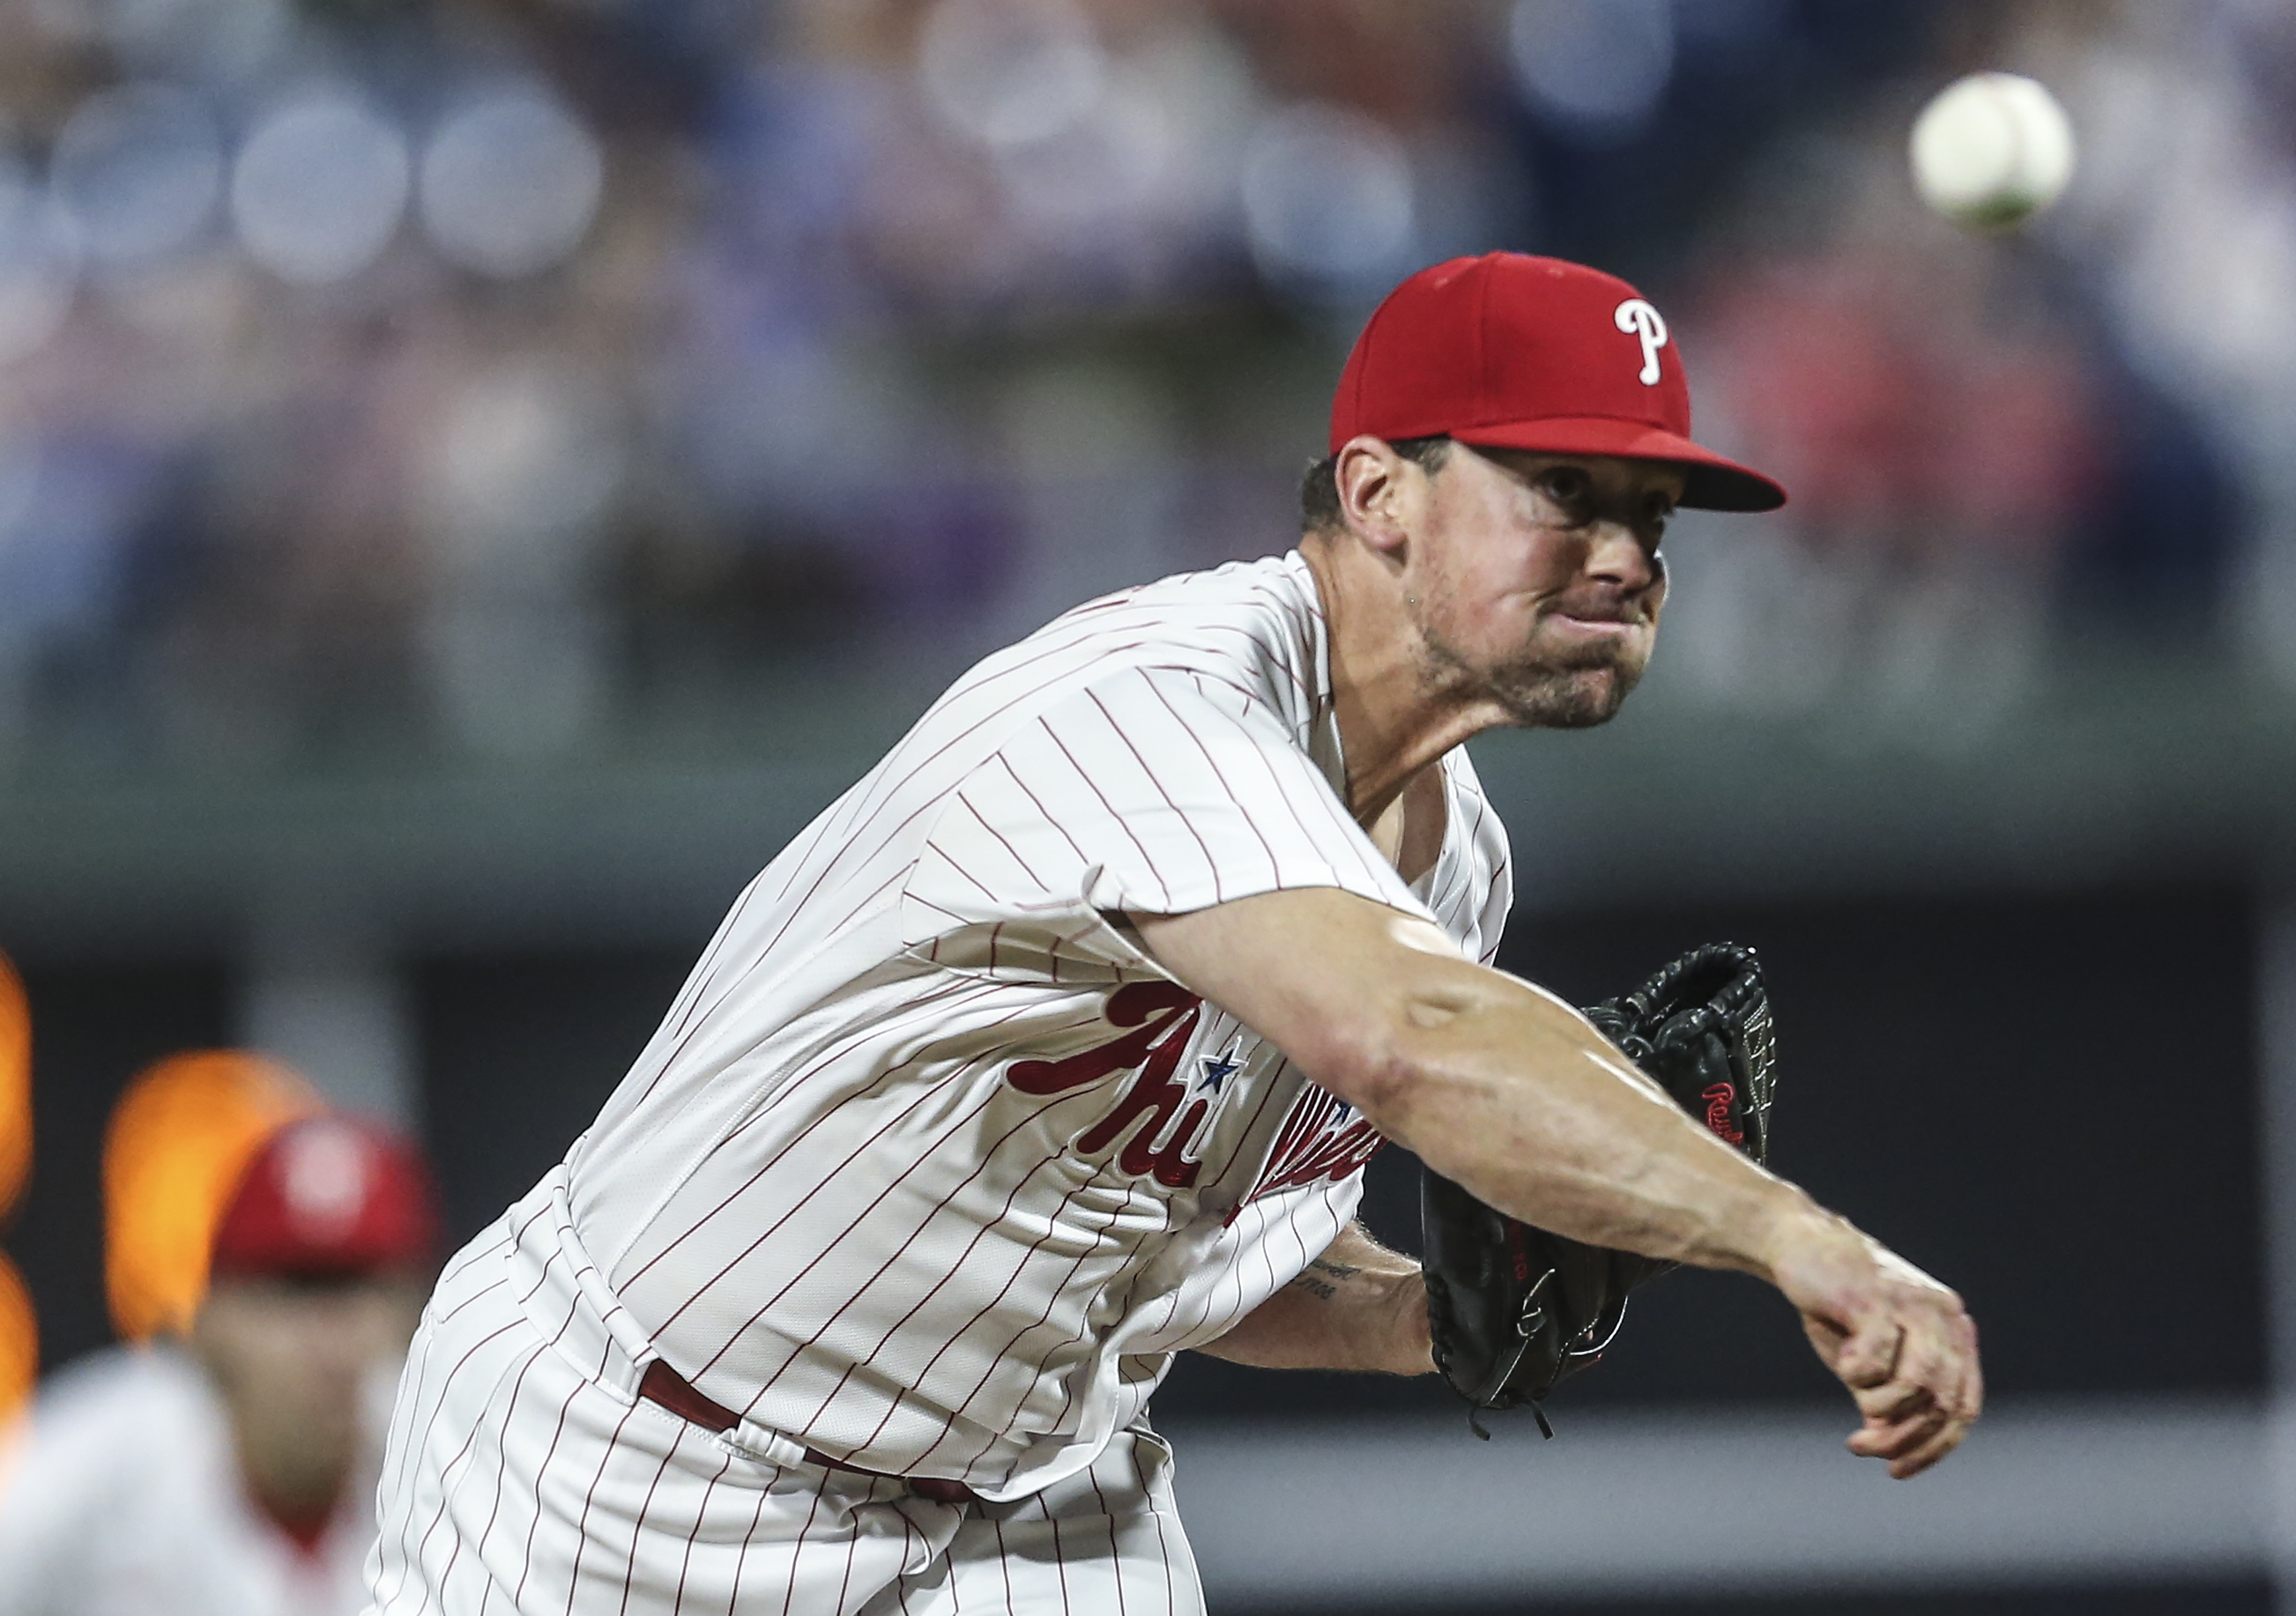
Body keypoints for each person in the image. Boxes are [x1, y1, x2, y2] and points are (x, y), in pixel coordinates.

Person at [367, 252, 1983, 1616]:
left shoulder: (1453, 866)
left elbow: (1199, 1267)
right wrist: (1800, 1236)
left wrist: (1439, 1318)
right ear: (1378, 492)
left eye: (1656, 513)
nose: (1627, 554)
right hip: (637, 1456)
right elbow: (1408, 1036)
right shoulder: (1154, 702)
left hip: (1023, 1505)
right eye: (1564, 489)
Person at [0, 1115, 442, 1616]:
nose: (333, 1341)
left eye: (360, 1292)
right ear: (211, 1320)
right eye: (294, 1291)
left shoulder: (454, 1475)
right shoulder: (75, 1476)